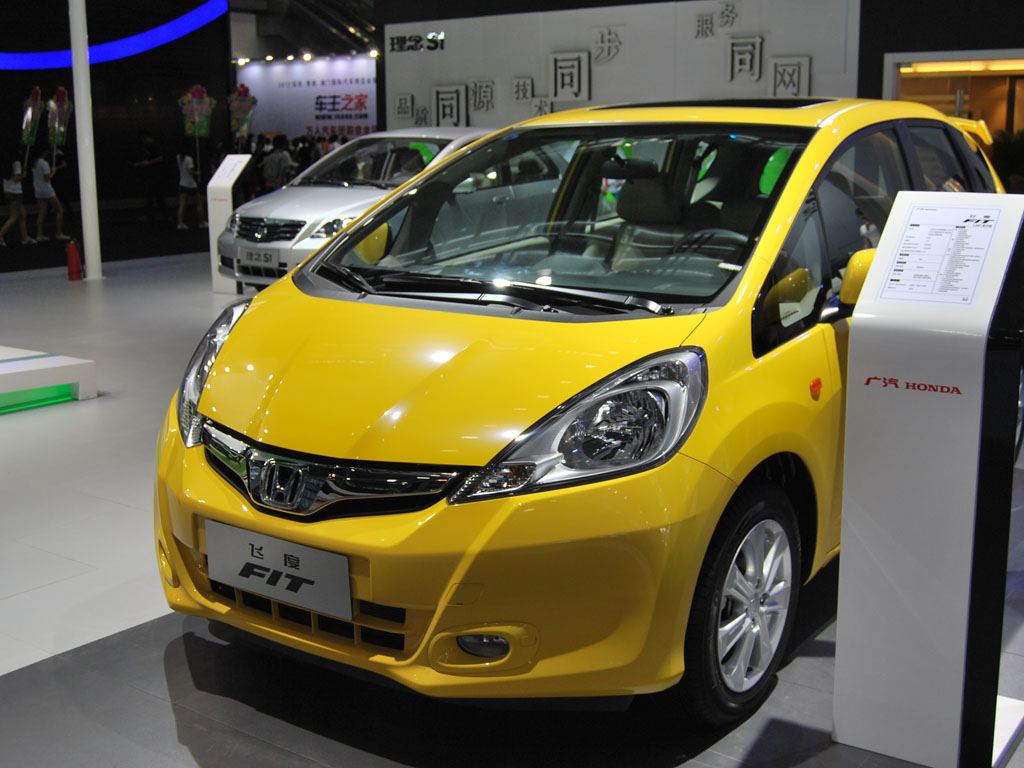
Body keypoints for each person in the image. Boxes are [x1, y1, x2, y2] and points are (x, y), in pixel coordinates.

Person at [32, 149, 69, 242]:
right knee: (59, 210)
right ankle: (59, 233)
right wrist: (53, 171)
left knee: (42, 212)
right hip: (47, 190)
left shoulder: (34, 163)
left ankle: (39, 235)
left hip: (38, 189)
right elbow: (47, 178)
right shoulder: (43, 163)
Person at [0, 148, 35, 245]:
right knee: (14, 216)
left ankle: (25, 237)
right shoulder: (17, 163)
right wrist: (23, 174)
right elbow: (16, 178)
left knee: (22, 214)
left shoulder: (5, 163)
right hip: (15, 192)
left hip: (8, 190)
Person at [132, 130, 168, 221]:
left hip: (155, 175)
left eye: (142, 139)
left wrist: (148, 163)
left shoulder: (155, 145)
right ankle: (163, 215)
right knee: (157, 195)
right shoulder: (149, 146)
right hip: (153, 174)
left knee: (151, 194)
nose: (141, 141)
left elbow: (160, 158)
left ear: (145, 137)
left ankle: (149, 214)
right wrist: (139, 164)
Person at [176, 140, 206, 230]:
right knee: (199, 203)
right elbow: (190, 172)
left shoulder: (178, 157)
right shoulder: (188, 159)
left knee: (182, 204)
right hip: (191, 184)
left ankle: (180, 223)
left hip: (182, 183)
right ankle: (201, 222)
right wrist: (197, 173)